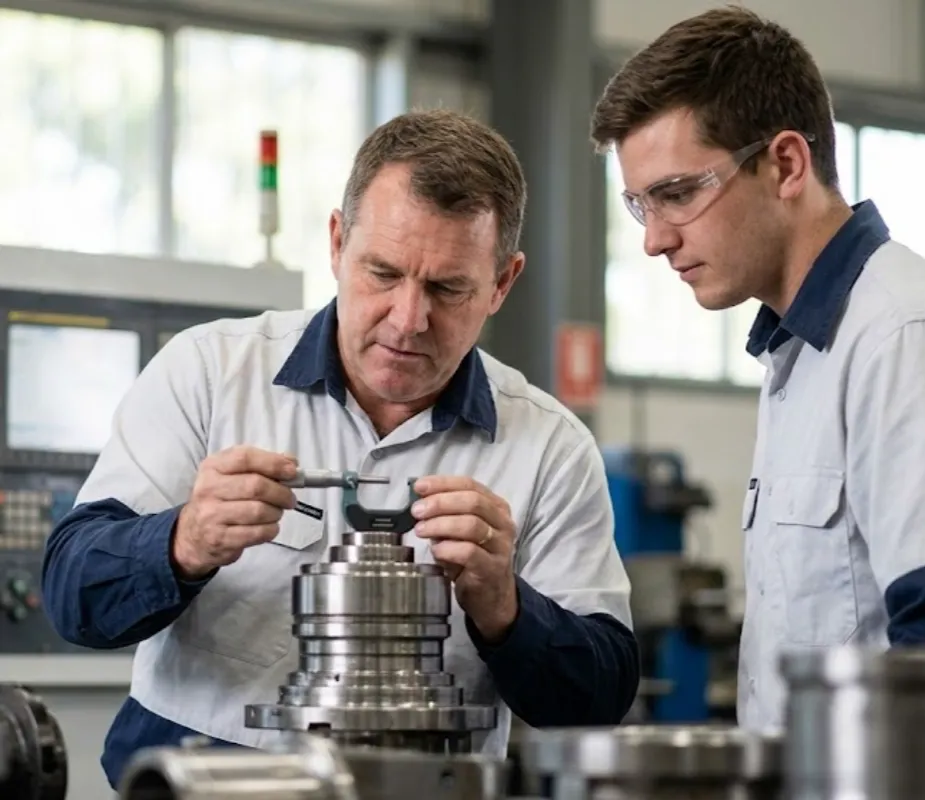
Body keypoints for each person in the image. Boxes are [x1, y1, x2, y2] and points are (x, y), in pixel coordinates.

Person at [41, 108, 640, 788]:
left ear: (503, 282)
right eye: (382, 273)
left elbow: (598, 697)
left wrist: (504, 606)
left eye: (448, 288)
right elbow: (71, 592)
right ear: (336, 242)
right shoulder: (209, 375)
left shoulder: (549, 448)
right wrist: (182, 542)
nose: (408, 320)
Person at [590, 6, 925, 733]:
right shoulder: (801, 353)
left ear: (785, 164)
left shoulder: (905, 335)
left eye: (679, 193)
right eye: (639, 204)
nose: (654, 240)